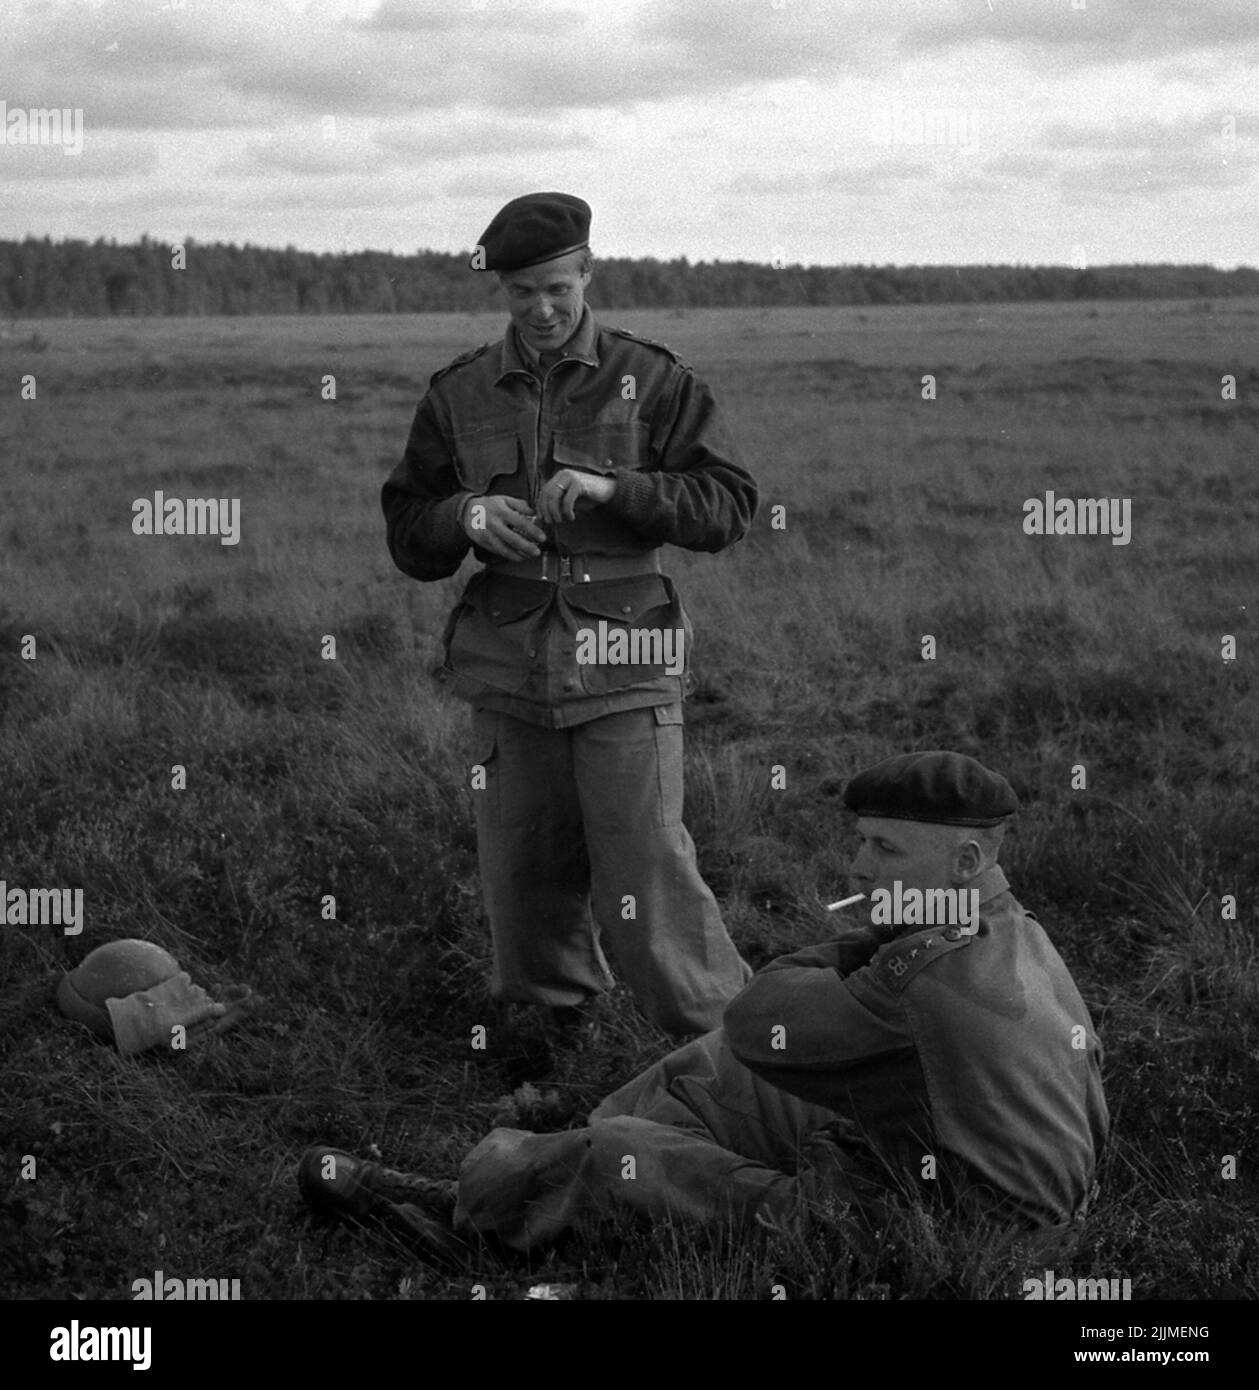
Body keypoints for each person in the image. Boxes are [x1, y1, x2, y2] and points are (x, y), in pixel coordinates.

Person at [298, 750, 1109, 1265]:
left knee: (626, 1143)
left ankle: (470, 1216)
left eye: (884, 848)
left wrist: (844, 947)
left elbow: (759, 1016)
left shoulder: (920, 979)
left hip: (939, 1234)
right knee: (710, 1068)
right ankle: (543, 1178)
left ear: (964, 858)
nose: (857, 866)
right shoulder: (1019, 933)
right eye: (860, 841)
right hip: (973, 1182)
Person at [381, 192, 757, 1039]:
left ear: (587, 272)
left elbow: (729, 507)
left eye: (558, 288)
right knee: (522, 868)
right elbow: (410, 530)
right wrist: (466, 517)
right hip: (508, 667)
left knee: (646, 865)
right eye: (521, 294)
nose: (542, 311)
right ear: (501, 291)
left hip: (625, 661)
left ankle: (723, 1048)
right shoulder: (460, 392)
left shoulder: (654, 379)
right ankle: (546, 1040)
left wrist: (616, 490)